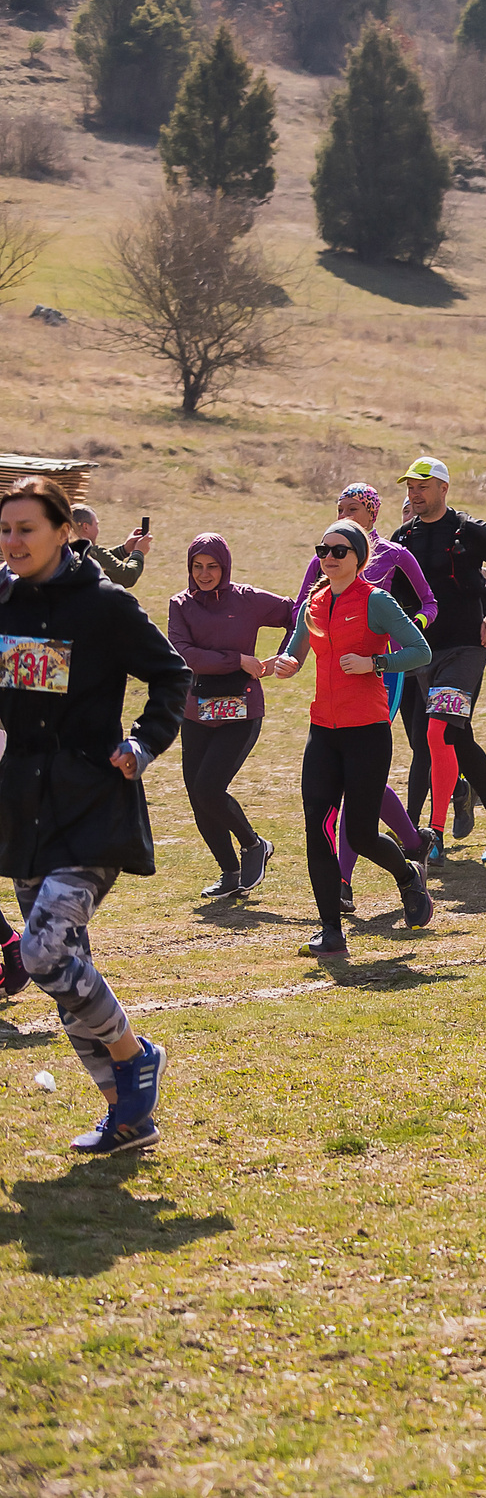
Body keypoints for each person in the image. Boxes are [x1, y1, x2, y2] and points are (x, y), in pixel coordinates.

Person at [0, 475, 184, 1153]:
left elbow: (171, 672)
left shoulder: (106, 605)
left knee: (44, 949)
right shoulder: (1, 597)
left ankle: (136, 1056)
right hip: (21, 805)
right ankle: (127, 1116)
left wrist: (143, 740)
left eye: (26, 528)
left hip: (92, 803)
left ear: (62, 530)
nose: (12, 541)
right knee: (65, 968)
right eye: (5, 529)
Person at [269, 517, 437, 956]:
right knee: (318, 830)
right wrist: (286, 663)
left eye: (338, 551)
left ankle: (406, 877)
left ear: (358, 558)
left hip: (366, 730)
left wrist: (374, 664)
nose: (327, 558)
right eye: (322, 550)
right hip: (322, 730)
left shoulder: (376, 601)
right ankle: (331, 931)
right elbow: (296, 652)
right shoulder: (315, 602)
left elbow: (421, 650)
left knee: (361, 834)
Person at [390, 457, 486, 864]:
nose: (415, 495)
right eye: (411, 488)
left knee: (437, 734)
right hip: (422, 653)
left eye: (423, 487)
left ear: (443, 489)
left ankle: (431, 835)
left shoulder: (472, 530)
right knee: (453, 736)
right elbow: (392, 593)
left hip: (466, 647)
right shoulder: (403, 537)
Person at [168, 534, 295, 899]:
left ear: (225, 567)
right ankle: (230, 873)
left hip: (242, 709)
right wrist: (237, 660)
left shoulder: (248, 599)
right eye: (197, 566)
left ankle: (254, 845)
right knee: (198, 796)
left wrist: (284, 656)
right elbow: (185, 654)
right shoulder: (180, 605)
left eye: (212, 566)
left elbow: (298, 612)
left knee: (209, 788)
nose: (204, 574)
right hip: (196, 711)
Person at [68, 505, 151, 590]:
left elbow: (103, 562)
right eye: (96, 524)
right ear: (86, 527)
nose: (98, 529)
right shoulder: (91, 552)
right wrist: (138, 552)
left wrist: (124, 550)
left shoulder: (65, 550)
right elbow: (128, 576)